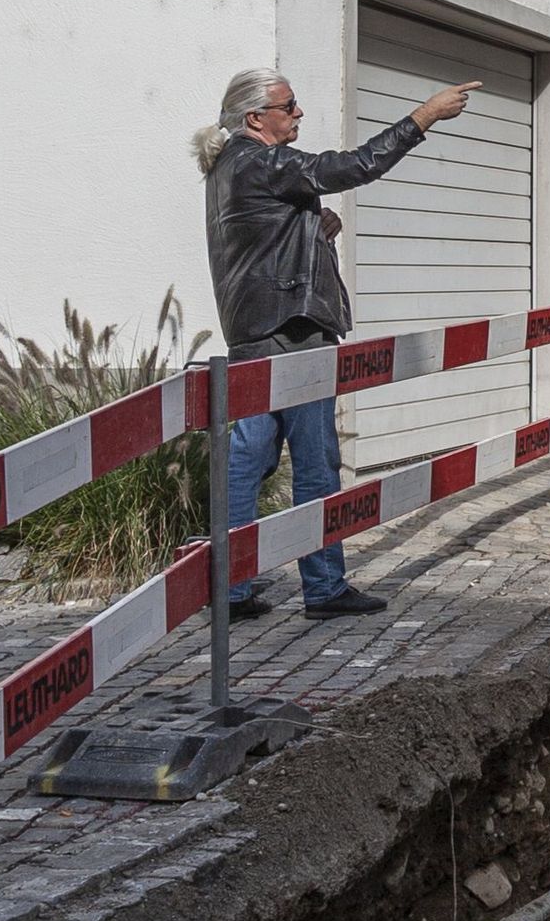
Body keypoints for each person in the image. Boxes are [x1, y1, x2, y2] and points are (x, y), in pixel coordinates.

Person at [198, 64, 471, 619]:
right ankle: (323, 587)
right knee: (317, 461)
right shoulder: (263, 161)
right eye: (289, 105)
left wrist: (311, 229)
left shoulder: (232, 166)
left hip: (256, 331)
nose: (299, 113)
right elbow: (352, 167)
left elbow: (256, 242)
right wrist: (424, 117)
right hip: (294, 332)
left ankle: (229, 589)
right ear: (256, 118)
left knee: (246, 459)